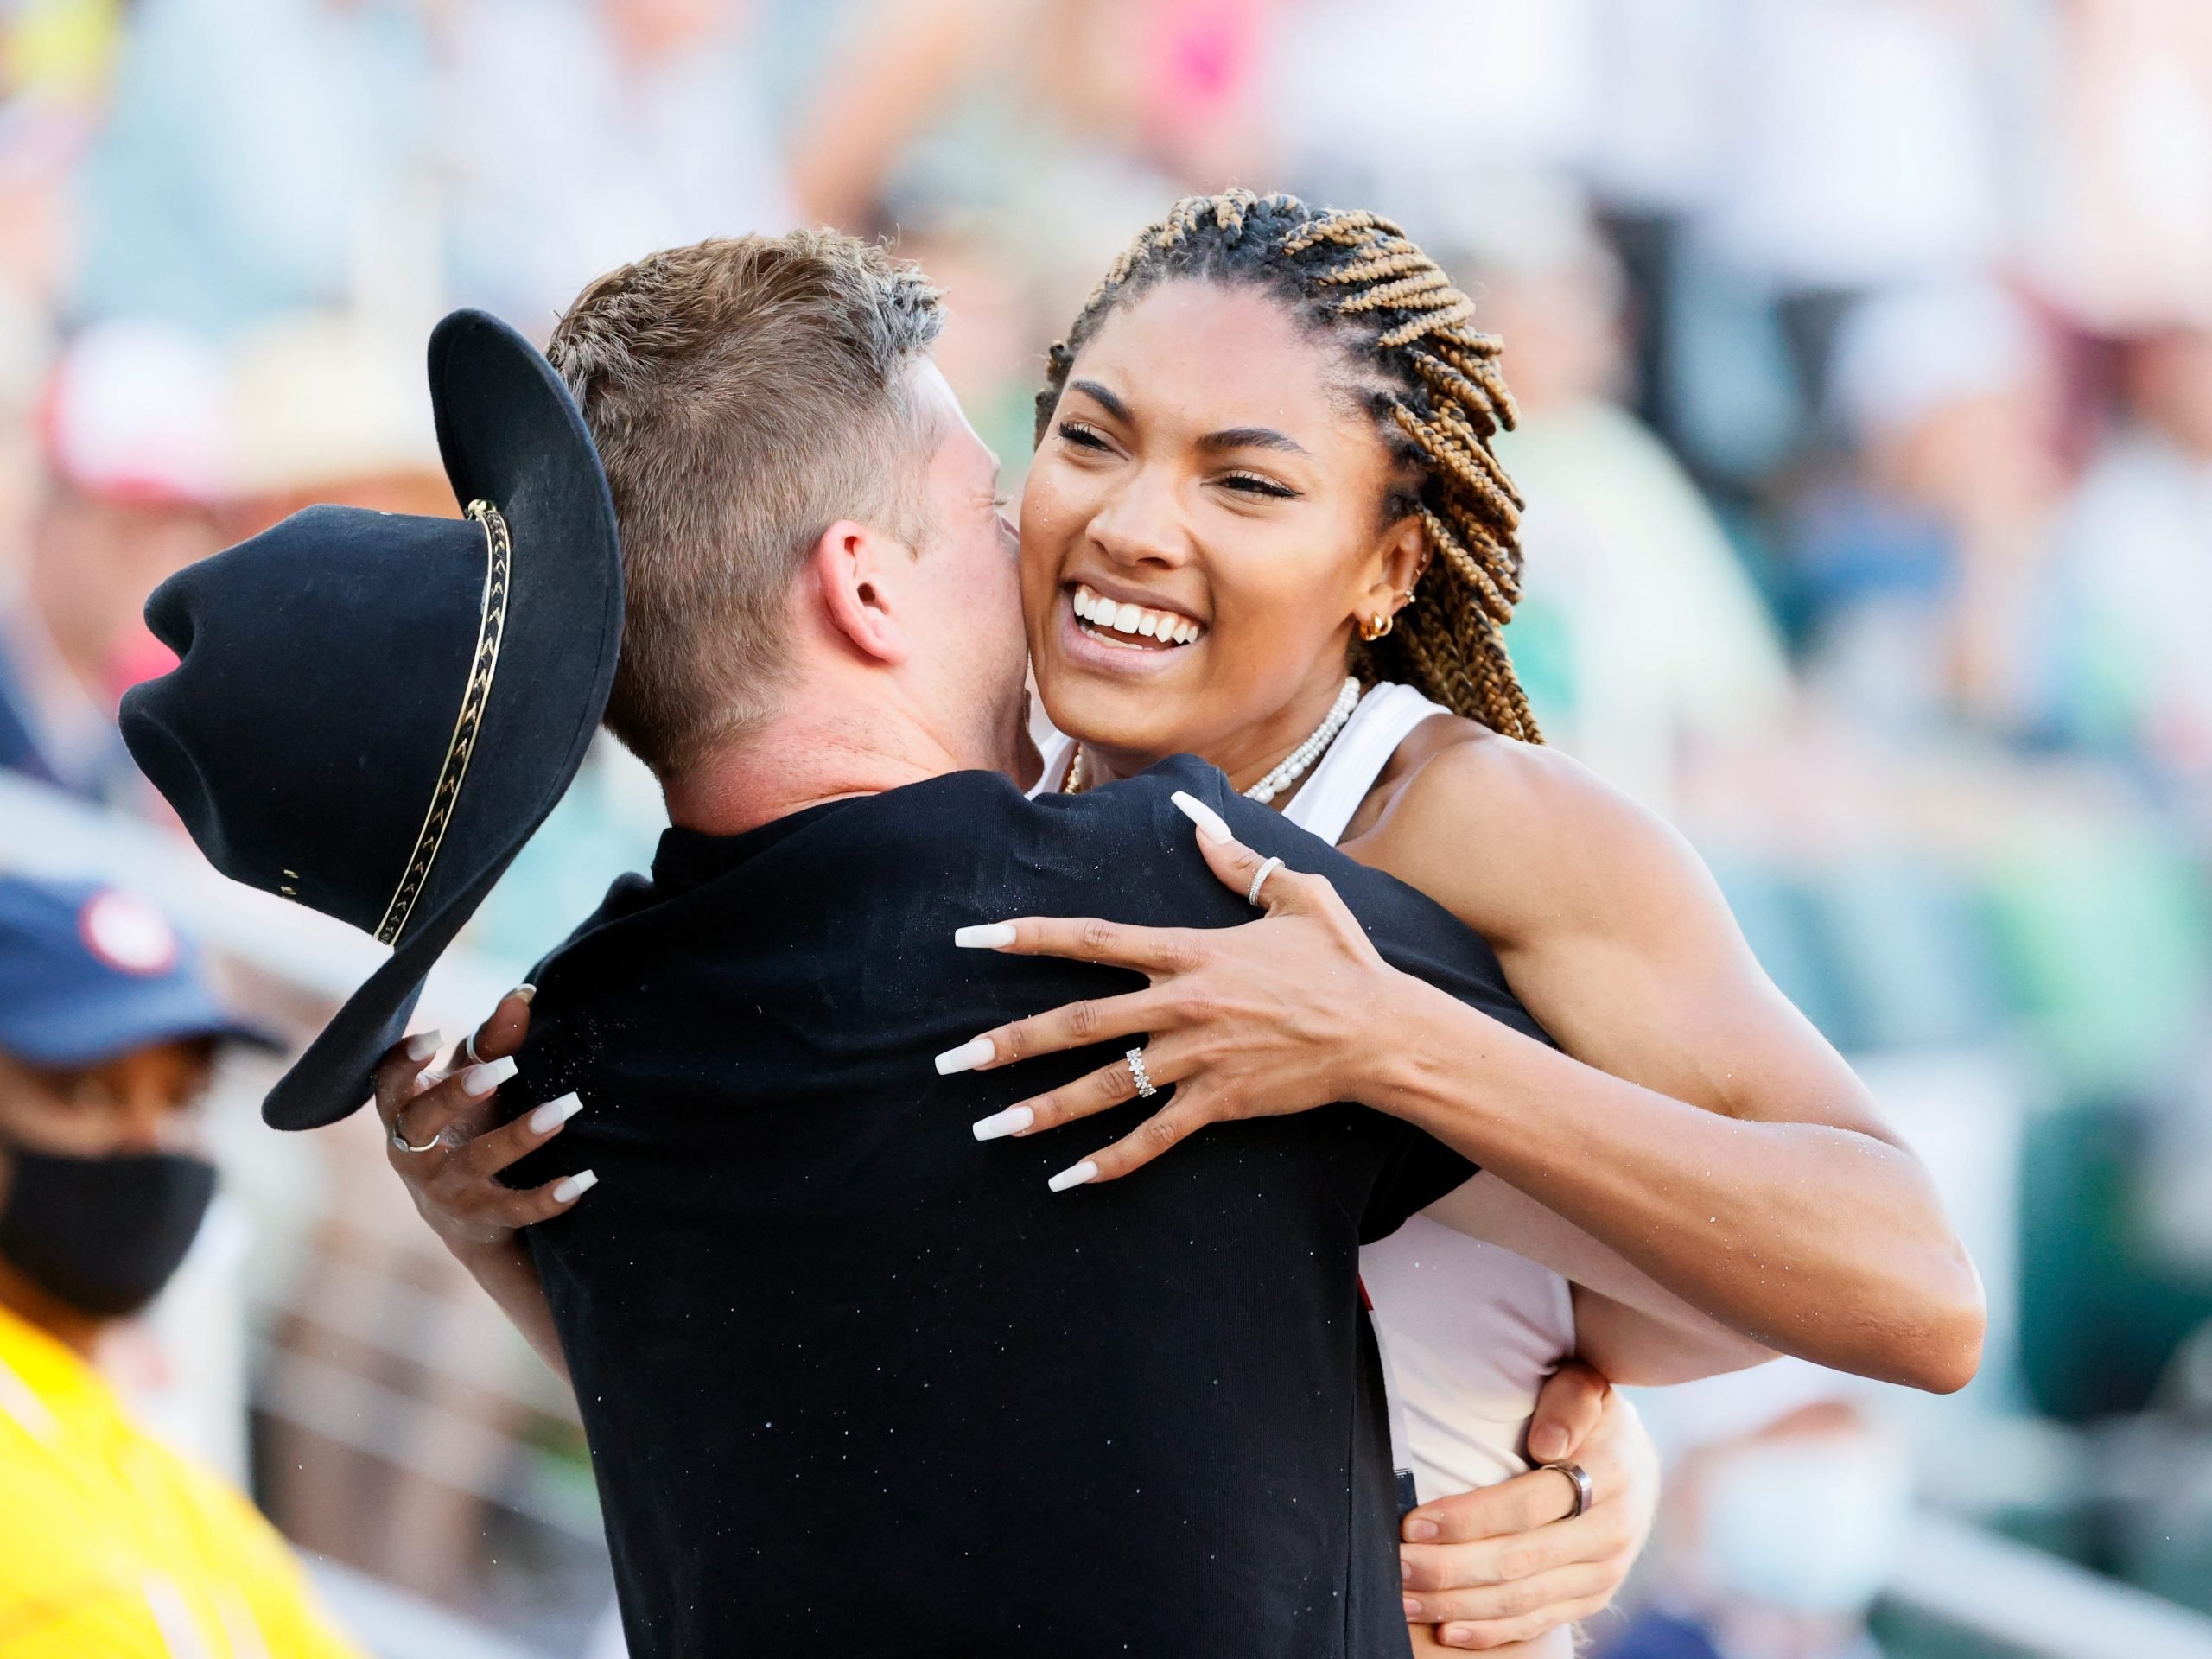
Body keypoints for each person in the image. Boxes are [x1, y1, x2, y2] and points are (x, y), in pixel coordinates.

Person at [393, 207, 1986, 1647]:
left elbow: (1909, 1292)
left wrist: (1393, 1052)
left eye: (1247, 480)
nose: (1136, 524)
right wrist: (503, 1234)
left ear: (1389, 565)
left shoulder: (1475, 828)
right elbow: (854, 1403)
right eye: (1092, 439)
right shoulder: (962, 817)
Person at [128, 275, 1662, 1656]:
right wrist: (1579, 1426)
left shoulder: (570, 1063)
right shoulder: (1172, 892)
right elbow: (1786, 1284)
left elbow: (836, 1425)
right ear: (862, 587)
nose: (1040, 552)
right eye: (991, 505)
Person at [0, 874, 365, 1657]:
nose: (152, 1147)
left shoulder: (124, 1443)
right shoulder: (57, 1578)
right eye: (90, 1094)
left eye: (183, 1102)